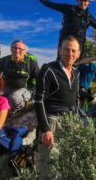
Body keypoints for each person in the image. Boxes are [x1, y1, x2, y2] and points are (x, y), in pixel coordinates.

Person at [33, 36, 83, 178]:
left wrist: (77, 120)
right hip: (52, 123)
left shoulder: (77, 72)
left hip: (71, 123)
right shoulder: (48, 69)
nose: (70, 54)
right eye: (66, 49)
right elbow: (39, 100)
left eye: (73, 50)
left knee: (69, 164)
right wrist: (45, 128)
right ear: (60, 50)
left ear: (78, 53)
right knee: (49, 168)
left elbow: (76, 98)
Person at [24, 0, 96, 59]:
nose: (83, 2)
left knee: (75, 65)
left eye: (85, 1)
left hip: (79, 44)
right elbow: (50, 4)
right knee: (60, 62)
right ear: (77, 0)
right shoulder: (68, 8)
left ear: (88, 2)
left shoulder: (89, 17)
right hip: (64, 41)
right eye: (81, 0)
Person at [0, 40, 39, 110]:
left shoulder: (31, 63)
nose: (17, 50)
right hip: (6, 86)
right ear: (11, 49)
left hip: (25, 88)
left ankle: (21, 108)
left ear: (25, 52)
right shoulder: (3, 60)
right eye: (14, 48)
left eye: (20, 49)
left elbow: (38, 77)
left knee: (14, 99)